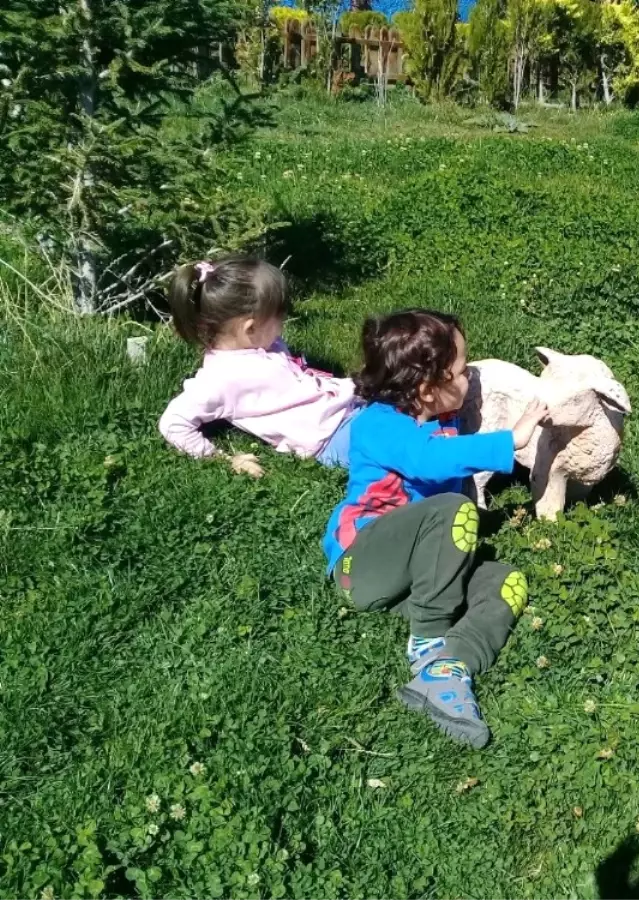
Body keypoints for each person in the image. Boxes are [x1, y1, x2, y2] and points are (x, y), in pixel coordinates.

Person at [322, 309, 549, 749]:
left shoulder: (442, 422)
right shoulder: (378, 425)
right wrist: (511, 441)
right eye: (462, 371)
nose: (470, 378)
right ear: (427, 389)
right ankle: (428, 638)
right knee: (453, 510)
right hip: (362, 566)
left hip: (414, 578)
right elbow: (426, 461)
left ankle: (445, 673)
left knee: (506, 582)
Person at [158, 257, 360, 475]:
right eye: (279, 317)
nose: (282, 325)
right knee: (396, 437)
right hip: (332, 435)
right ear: (251, 328)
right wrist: (221, 459)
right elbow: (173, 423)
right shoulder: (220, 380)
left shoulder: (261, 344)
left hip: (347, 409)